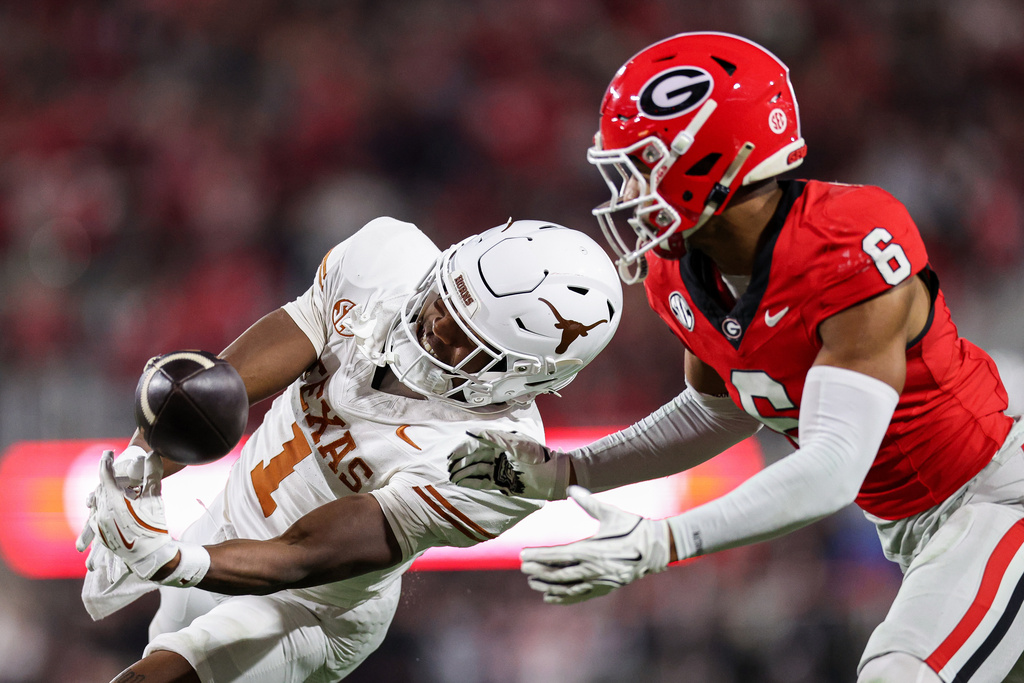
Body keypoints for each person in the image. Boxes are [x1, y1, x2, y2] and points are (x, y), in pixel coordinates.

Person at [447, 32, 1024, 683]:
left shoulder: (845, 241)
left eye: (643, 163)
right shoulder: (678, 272)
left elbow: (833, 466)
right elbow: (717, 411)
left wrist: (665, 541)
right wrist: (565, 471)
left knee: (902, 672)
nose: (627, 187)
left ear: (715, 158)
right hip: (921, 523)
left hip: (996, 495)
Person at [76, 216, 622, 683]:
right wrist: (140, 463)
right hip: (220, 526)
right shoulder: (387, 262)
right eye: (444, 299)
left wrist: (171, 559)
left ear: (524, 377)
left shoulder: (500, 463)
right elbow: (213, 395)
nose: (435, 325)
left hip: (310, 609)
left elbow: (300, 556)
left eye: (466, 340)